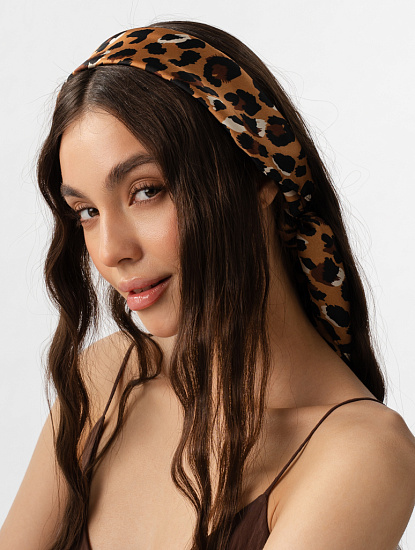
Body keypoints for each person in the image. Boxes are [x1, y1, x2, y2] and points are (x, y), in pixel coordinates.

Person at [1, 20, 414, 550]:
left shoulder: (361, 453)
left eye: (146, 191)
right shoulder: (105, 381)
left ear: (259, 175)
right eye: (86, 211)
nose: (109, 251)